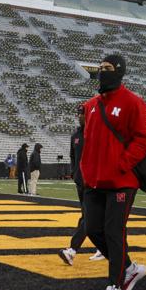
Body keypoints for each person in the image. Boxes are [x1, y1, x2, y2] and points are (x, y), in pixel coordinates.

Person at [80, 54, 146, 290]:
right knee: (92, 229)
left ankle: (116, 289)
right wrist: (86, 170)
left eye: (107, 68)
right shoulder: (90, 105)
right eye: (100, 68)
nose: (102, 71)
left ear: (119, 71)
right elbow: (88, 141)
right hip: (95, 180)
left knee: (114, 232)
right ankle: (130, 269)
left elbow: (143, 140)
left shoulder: (134, 102)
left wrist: (121, 164)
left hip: (121, 181)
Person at [59, 106, 90, 265]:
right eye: (78, 114)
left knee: (89, 217)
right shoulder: (75, 135)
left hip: (94, 182)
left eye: (82, 114)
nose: (79, 116)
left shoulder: (95, 133)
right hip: (81, 182)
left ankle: (72, 250)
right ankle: (102, 248)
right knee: (89, 217)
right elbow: (72, 156)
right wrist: (74, 173)